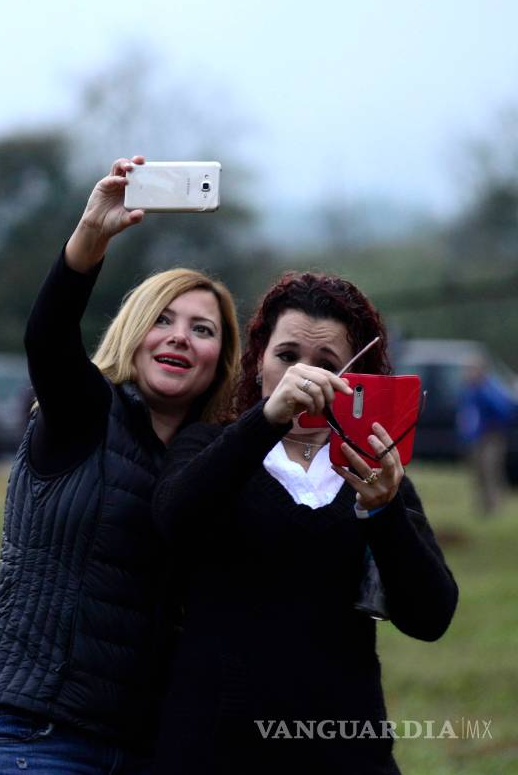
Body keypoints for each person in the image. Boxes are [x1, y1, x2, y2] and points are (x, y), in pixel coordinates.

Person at [0, 156, 241, 774]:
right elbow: (48, 337)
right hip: (34, 731)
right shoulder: (85, 410)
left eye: (202, 329)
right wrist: (91, 237)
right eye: (162, 320)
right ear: (133, 331)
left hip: (145, 745)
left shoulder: (211, 465)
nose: (180, 337)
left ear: (221, 360)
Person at [153, 272, 459, 774]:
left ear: (354, 379)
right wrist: (266, 420)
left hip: (345, 750)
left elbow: (431, 616)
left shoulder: (375, 474)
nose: (305, 375)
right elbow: (174, 518)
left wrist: (383, 513)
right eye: (288, 356)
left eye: (326, 364)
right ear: (258, 363)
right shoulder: (209, 446)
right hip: (213, 748)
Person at [457, 355, 515, 516]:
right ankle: (482, 506)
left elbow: (504, 409)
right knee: (478, 472)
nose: (467, 373)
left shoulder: (490, 388)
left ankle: (495, 507)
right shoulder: (470, 389)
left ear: (481, 371)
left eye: (471, 370)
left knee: (491, 470)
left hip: (491, 437)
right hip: (475, 438)